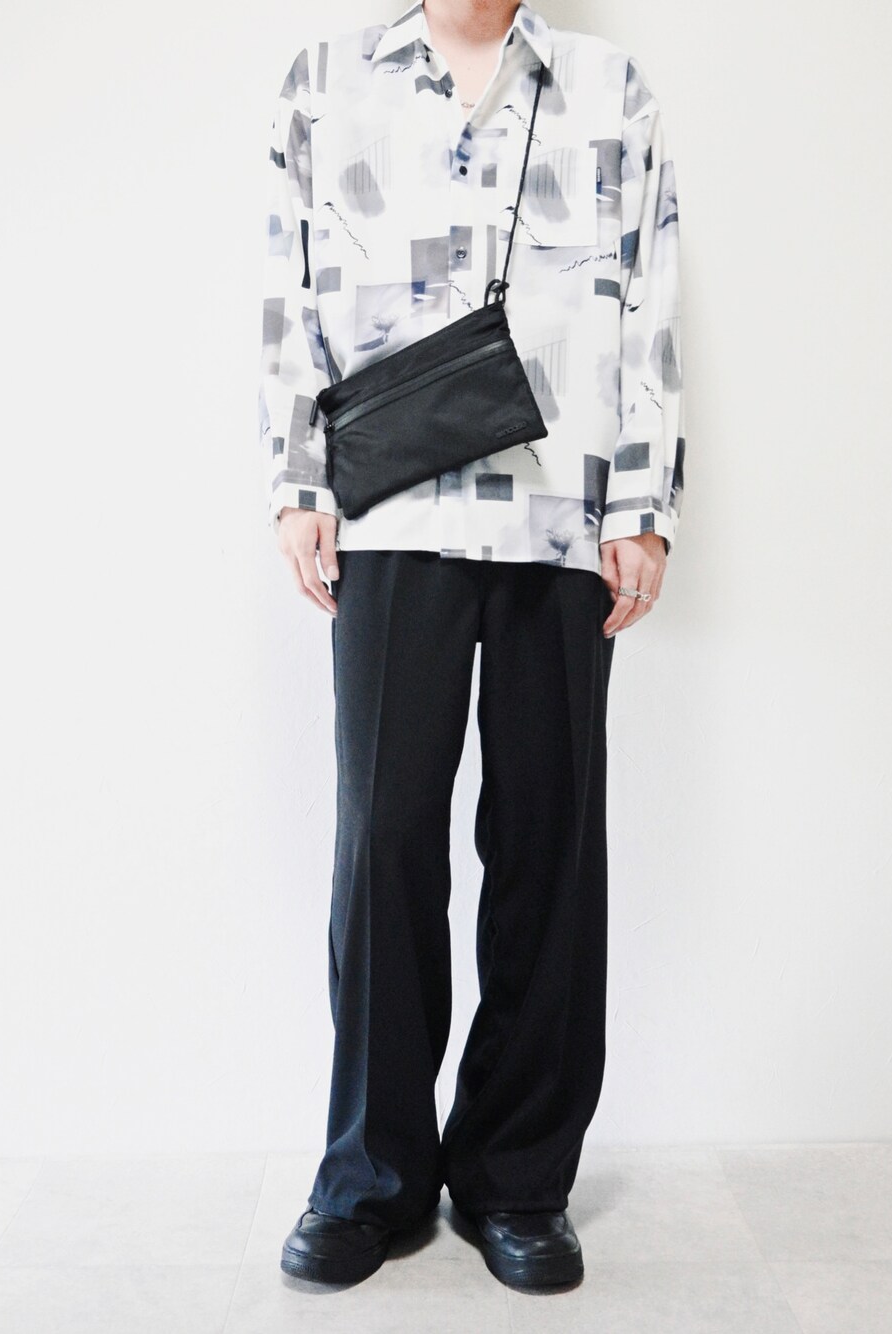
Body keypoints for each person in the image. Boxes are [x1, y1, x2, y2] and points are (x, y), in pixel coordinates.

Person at [259, 0, 685, 1289]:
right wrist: (297, 479)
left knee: (548, 840)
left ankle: (517, 1177)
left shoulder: (607, 87)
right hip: (391, 512)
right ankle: (372, 1177)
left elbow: (651, 291)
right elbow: (289, 285)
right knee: (383, 840)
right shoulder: (325, 81)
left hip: (564, 514)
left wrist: (644, 504)